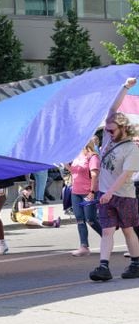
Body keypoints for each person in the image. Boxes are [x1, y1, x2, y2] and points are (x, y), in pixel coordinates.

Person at [90, 77, 139, 281]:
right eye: (106, 130)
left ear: (123, 128)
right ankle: (103, 267)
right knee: (108, 230)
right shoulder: (109, 138)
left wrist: (109, 193)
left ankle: (136, 263)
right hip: (105, 195)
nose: (107, 133)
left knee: (128, 229)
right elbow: (113, 108)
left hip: (123, 195)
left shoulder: (131, 149)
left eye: (111, 130)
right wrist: (125, 87)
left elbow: (126, 175)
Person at [67, 138, 102, 256]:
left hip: (87, 192)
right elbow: (74, 171)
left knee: (90, 219)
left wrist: (92, 192)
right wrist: (65, 164)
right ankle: (84, 246)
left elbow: (94, 175)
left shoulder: (93, 157)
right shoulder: (77, 156)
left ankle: (106, 237)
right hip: (75, 192)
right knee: (79, 219)